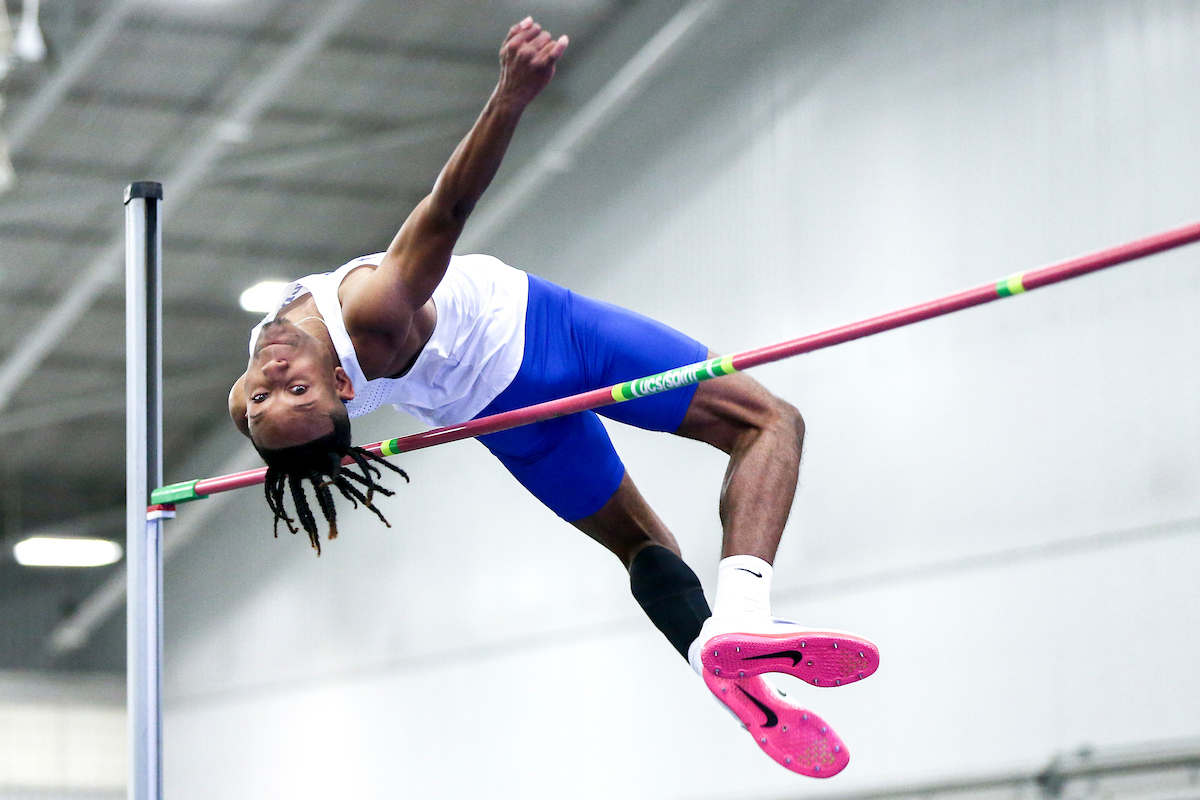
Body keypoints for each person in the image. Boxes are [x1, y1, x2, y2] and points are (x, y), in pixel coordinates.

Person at [228, 17, 878, 777]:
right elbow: (447, 207)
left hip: (496, 418)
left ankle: (718, 664)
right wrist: (509, 98)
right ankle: (742, 616)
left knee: (643, 547)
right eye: (295, 385)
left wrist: (277, 410)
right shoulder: (371, 312)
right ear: (343, 383)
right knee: (768, 422)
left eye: (267, 393)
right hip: (550, 336)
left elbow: (283, 423)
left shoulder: (250, 404)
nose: (272, 371)